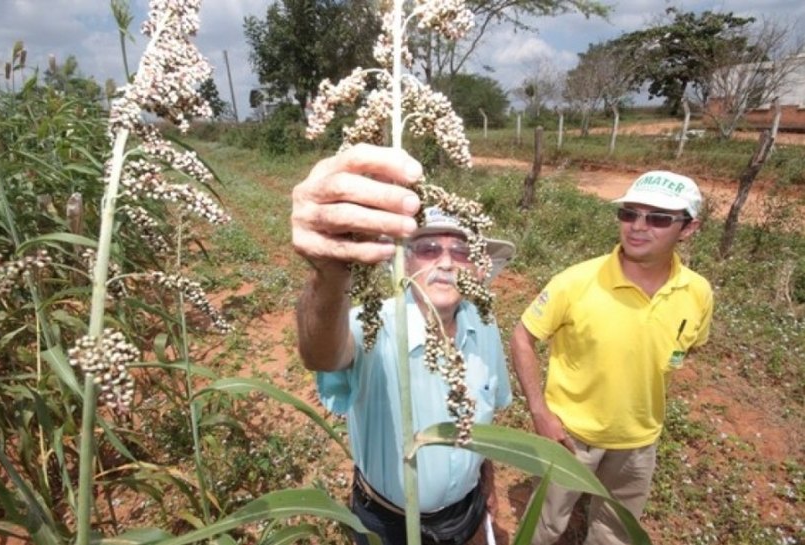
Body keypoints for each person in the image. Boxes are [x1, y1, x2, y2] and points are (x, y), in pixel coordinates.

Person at [292, 143, 515, 545]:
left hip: (464, 514)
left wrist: (486, 481)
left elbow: (483, 419)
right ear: (404, 261)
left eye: (461, 251)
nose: (446, 262)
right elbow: (320, 352)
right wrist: (331, 273)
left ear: (478, 268)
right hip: (386, 524)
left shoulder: (485, 326)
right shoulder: (371, 326)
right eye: (428, 249)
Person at [510, 170, 714, 545]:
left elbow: (689, 345)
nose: (638, 226)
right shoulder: (576, 282)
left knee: (614, 532)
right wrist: (540, 412)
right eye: (629, 213)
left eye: (658, 218)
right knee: (545, 526)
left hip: (639, 442)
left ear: (688, 229)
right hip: (570, 437)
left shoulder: (698, 292)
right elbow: (523, 336)